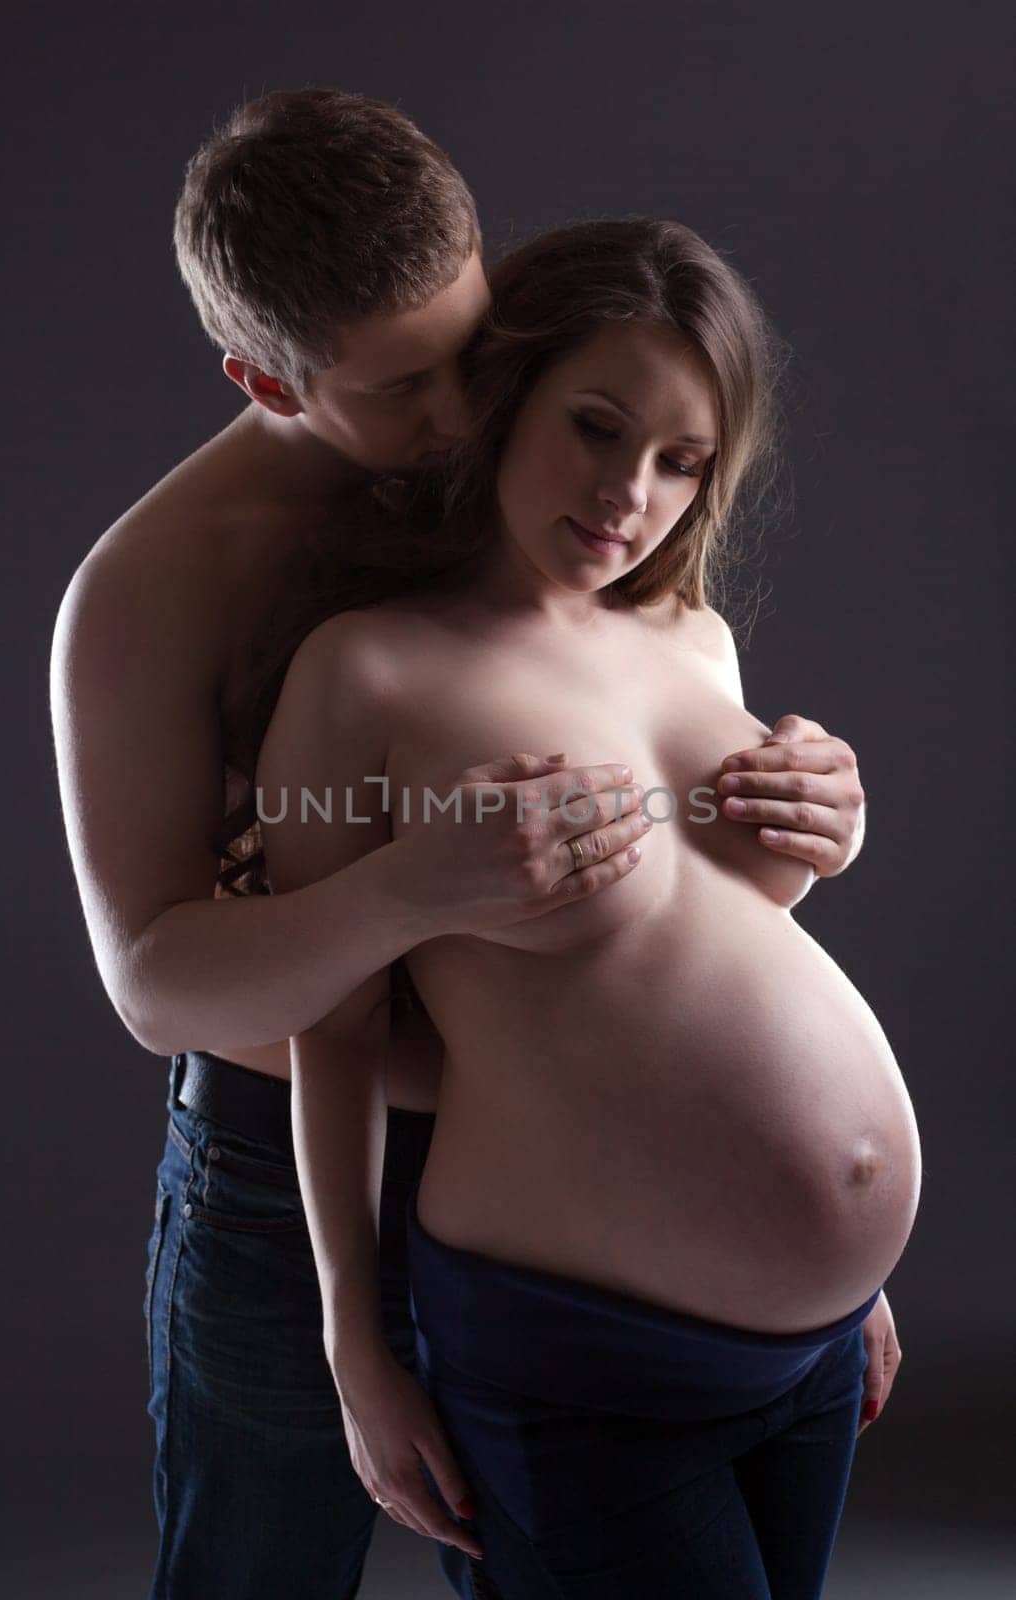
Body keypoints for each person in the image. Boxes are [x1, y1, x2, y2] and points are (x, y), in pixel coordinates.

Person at [256, 216, 917, 1600]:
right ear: (505, 402)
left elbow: (713, 953)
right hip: (579, 1362)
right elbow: (333, 1023)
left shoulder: (698, 641)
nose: (632, 493)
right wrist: (355, 1347)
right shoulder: (366, 673)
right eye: (598, 428)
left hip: (808, 1353)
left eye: (683, 461)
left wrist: (840, 1280)